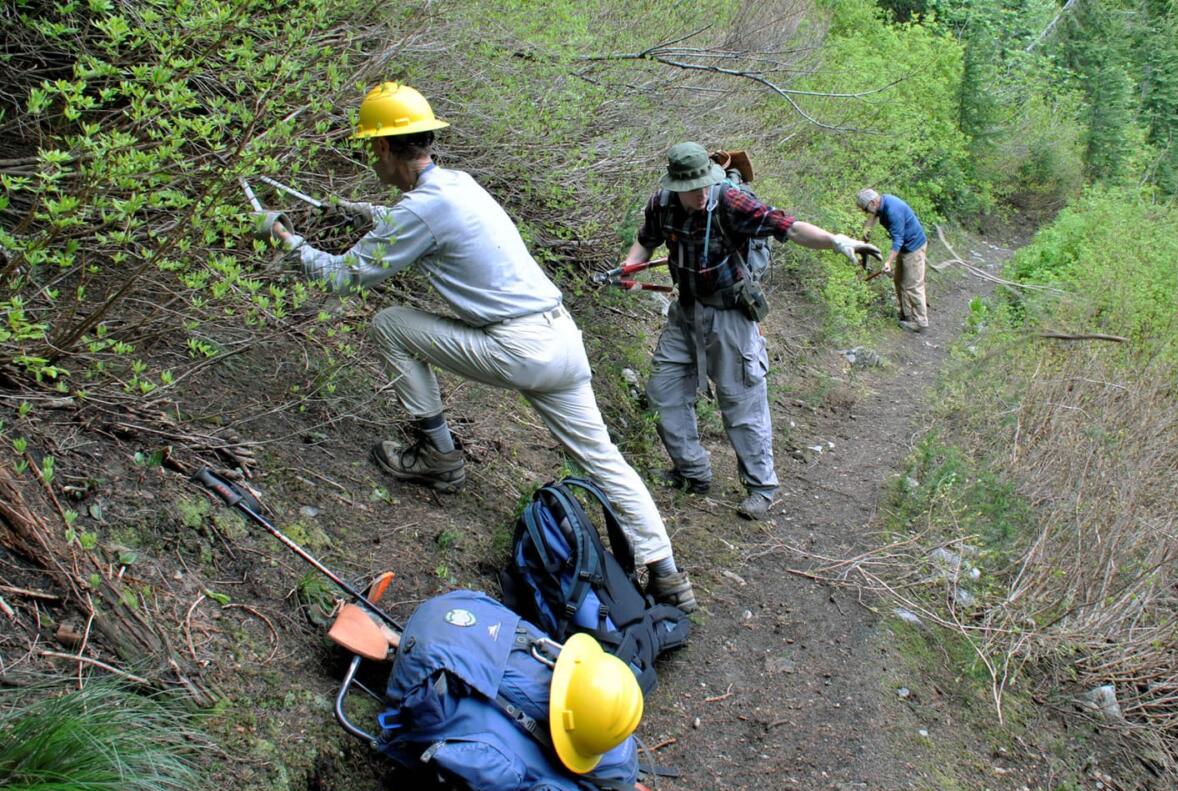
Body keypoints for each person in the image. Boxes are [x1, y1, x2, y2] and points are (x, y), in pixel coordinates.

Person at [254, 82, 695, 612]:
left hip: (519, 348)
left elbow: (342, 277)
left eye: (372, 147)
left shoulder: (421, 209)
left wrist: (285, 237)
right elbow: (422, 221)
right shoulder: (458, 183)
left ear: (385, 149)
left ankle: (437, 456)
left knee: (392, 323)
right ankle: (667, 573)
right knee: (604, 460)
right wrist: (362, 212)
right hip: (561, 340)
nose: (371, 156)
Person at [622, 142, 881, 521]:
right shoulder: (662, 204)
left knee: (741, 403)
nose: (698, 194)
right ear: (674, 185)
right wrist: (630, 267)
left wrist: (836, 241)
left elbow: (787, 227)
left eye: (702, 185)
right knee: (663, 394)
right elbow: (645, 242)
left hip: (731, 316)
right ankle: (693, 472)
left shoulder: (729, 201)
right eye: (689, 188)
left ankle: (760, 488)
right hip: (685, 314)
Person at [856, 188, 928, 333]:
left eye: (865, 209)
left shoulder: (892, 212)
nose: (866, 213)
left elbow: (898, 241)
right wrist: (865, 233)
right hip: (905, 247)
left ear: (873, 202)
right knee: (899, 281)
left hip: (914, 247)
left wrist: (888, 262)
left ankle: (921, 323)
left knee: (913, 285)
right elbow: (873, 216)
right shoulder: (882, 202)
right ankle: (906, 316)